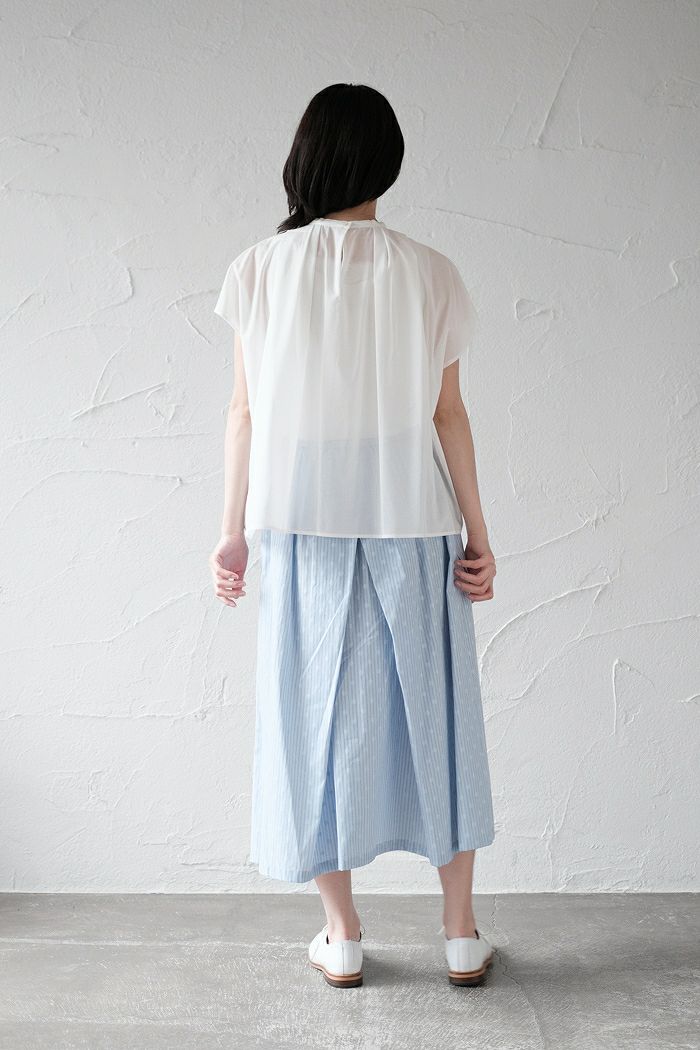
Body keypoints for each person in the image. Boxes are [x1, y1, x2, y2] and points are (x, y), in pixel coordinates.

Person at [209, 83, 497, 990]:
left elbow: (244, 412)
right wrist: (479, 533)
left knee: (314, 719)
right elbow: (450, 415)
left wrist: (231, 533)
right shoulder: (432, 270)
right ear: (388, 163)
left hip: (301, 523)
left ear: (305, 158)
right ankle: (460, 933)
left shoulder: (259, 267)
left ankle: (341, 936)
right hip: (415, 520)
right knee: (437, 718)